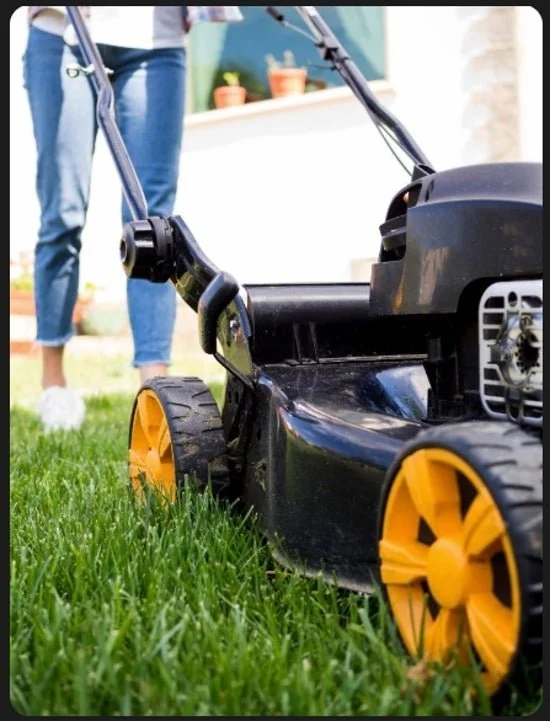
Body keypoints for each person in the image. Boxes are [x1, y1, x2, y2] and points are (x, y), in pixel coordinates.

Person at [24, 6, 242, 432]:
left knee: (153, 223)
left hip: (153, 39)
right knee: (62, 213)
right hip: (62, 32)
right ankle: (53, 383)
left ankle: (156, 389)